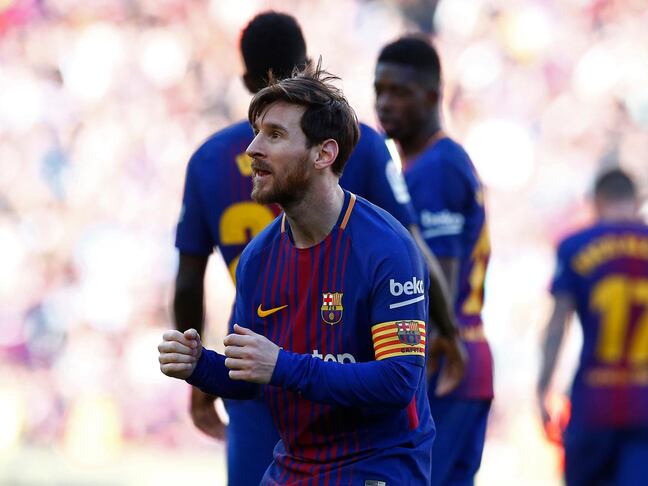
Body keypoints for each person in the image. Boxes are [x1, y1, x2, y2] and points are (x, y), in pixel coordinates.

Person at [173, 12, 463, 485]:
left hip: (376, 464)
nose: (251, 150)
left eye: (274, 135)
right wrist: (199, 365)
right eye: (256, 132)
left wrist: (284, 366)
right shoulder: (259, 259)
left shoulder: (386, 248)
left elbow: (397, 380)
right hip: (298, 463)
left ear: (323, 154)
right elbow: (250, 373)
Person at [536, 168, 648, 486]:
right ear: (638, 202)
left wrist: (543, 387)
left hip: (593, 403)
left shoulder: (575, 247)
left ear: (596, 203)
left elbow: (556, 325)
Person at [374, 36, 494, 486]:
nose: (385, 103)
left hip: (444, 361)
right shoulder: (430, 163)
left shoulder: (436, 168)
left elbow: (433, 284)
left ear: (432, 96)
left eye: (399, 92)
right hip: (466, 357)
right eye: (379, 89)